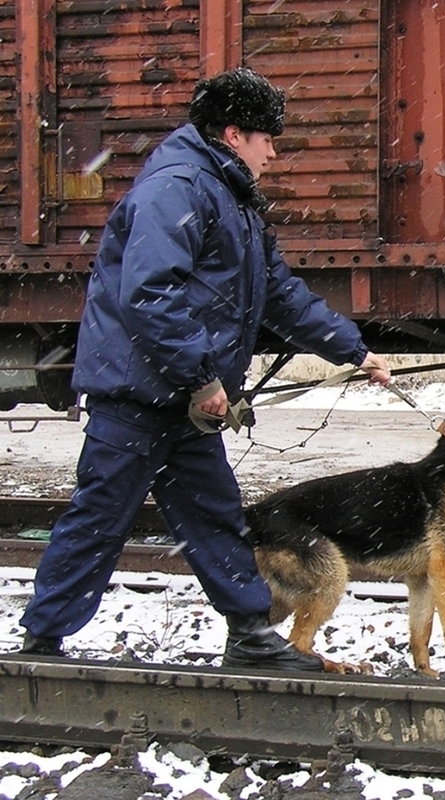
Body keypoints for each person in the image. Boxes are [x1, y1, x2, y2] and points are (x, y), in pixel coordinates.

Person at [16, 67, 392, 672]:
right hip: (139, 394)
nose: (274, 150)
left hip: (180, 398)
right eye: (267, 137)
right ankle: (40, 646)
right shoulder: (180, 188)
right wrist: (202, 377)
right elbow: (149, 293)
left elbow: (277, 292)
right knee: (101, 517)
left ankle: (250, 635)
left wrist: (351, 348)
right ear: (233, 133)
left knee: (214, 516)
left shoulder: (230, 196)